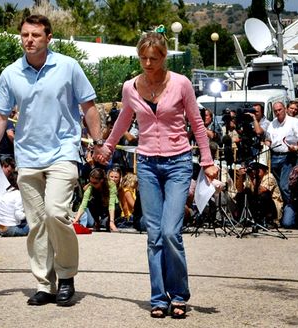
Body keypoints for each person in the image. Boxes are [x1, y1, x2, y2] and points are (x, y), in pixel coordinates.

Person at [0, 15, 103, 307]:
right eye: (24, 35)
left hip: (62, 151)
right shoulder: (10, 73)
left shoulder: (68, 67)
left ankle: (67, 276)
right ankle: (45, 284)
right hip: (28, 155)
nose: (29, 40)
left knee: (56, 212)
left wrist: (98, 143)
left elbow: (89, 106)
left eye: (35, 35)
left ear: (48, 38)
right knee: (36, 223)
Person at [95, 32, 218, 319]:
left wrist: (207, 161)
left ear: (164, 57)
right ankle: (158, 298)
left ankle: (179, 295)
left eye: (154, 58)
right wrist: (108, 147)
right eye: (143, 58)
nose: (148, 63)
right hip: (147, 164)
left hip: (178, 162)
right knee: (153, 235)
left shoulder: (181, 84)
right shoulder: (130, 87)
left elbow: (197, 126)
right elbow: (124, 118)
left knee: (170, 232)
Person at [265, 101, 298, 228]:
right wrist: (266, 144)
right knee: (276, 188)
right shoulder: (272, 124)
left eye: (280, 110)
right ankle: (280, 214)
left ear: (284, 109)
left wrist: (296, 148)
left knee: (285, 186)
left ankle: (294, 211)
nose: (278, 112)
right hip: (274, 156)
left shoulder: (293, 122)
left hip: (288, 156)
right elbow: (268, 139)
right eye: (275, 111)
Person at [73, 168, 119, 232]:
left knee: (117, 208)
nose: (92, 184)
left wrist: (111, 221)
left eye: (95, 183)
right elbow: (83, 205)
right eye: (90, 182)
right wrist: (76, 220)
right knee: (90, 203)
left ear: (102, 180)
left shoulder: (111, 185)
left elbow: (112, 204)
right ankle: (97, 222)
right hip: (99, 206)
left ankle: (109, 222)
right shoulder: (90, 187)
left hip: (109, 206)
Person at [0, 171, 30, 237]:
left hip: (1, 228)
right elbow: (19, 215)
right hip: (10, 229)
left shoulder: (3, 193)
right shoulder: (18, 194)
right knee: (36, 225)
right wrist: (28, 214)